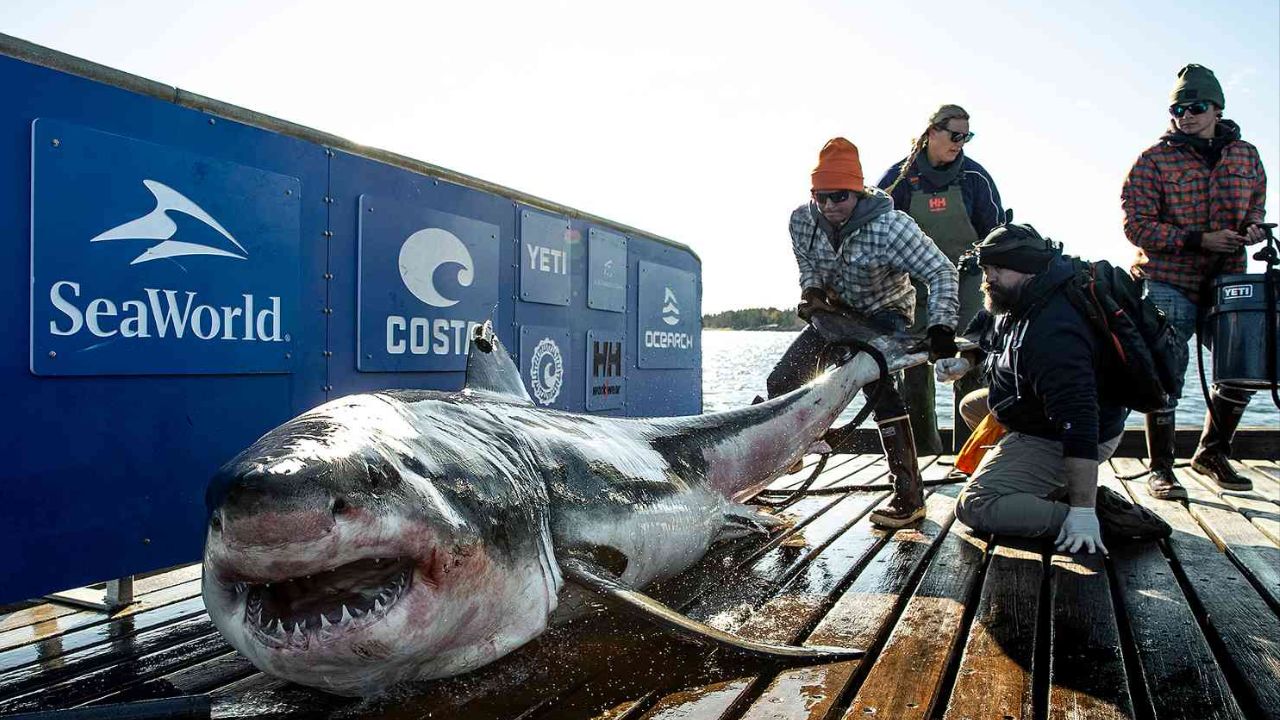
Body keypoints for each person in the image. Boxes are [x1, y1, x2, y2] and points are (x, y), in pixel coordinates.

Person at [767, 137, 960, 528]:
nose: (828, 206)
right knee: (782, 379)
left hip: (885, 312)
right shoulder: (801, 220)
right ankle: (792, 449)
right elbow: (808, 265)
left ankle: (908, 496)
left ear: (857, 192)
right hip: (836, 310)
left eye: (838, 196)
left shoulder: (891, 227)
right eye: (820, 197)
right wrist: (812, 290)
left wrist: (941, 326)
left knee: (879, 390)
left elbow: (941, 271)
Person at [952, 224, 1169, 553]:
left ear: (1028, 270)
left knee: (975, 504)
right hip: (1034, 411)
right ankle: (1048, 484)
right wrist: (965, 360)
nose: (988, 277)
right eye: (985, 268)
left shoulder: (1054, 331)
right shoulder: (1017, 296)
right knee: (972, 405)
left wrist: (1081, 513)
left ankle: (1093, 516)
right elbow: (986, 326)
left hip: (1070, 432)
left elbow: (1079, 421)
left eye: (998, 268)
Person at [1122, 64, 1268, 499]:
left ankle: (1212, 453)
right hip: (1167, 278)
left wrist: (1254, 227)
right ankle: (1162, 468)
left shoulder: (1246, 155)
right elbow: (1137, 227)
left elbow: (1256, 203)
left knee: (1244, 364)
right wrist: (1198, 239)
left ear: (1217, 108)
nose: (1186, 115)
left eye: (1196, 106)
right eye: (1178, 108)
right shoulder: (1151, 161)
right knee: (1166, 370)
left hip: (1229, 280)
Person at [879, 105, 1004, 456]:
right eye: (955, 135)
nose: (961, 143)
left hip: (967, 283)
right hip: (912, 285)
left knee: (968, 367)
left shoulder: (976, 178)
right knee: (914, 373)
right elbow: (877, 230)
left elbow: (995, 235)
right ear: (931, 132)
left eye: (967, 136)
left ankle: (970, 457)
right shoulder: (899, 178)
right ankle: (924, 454)